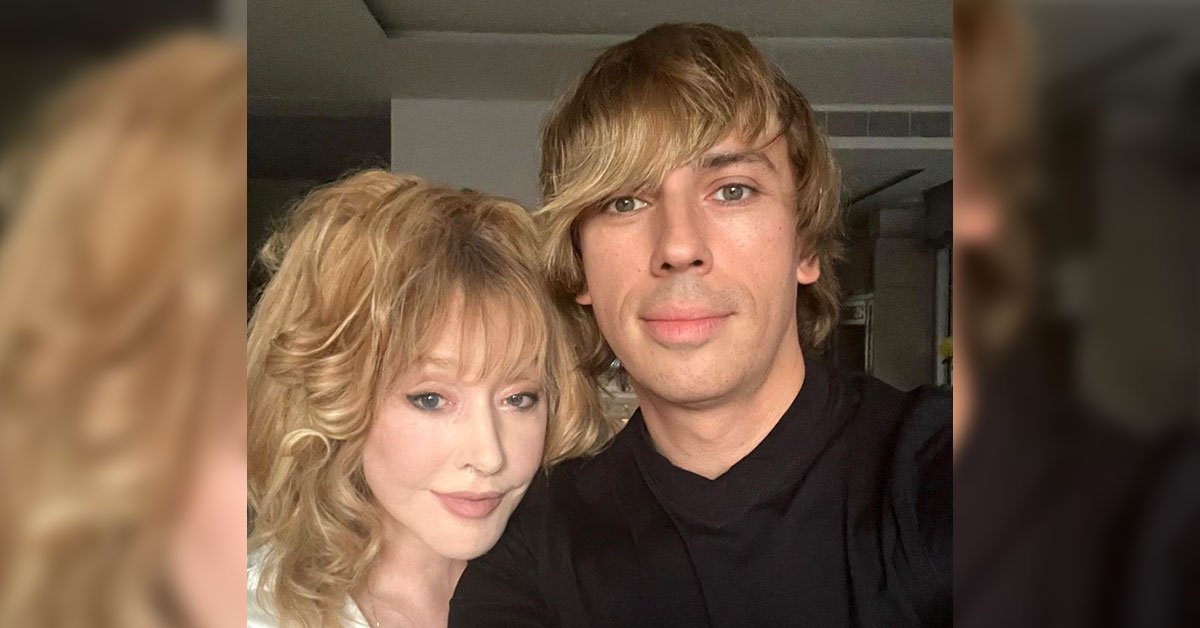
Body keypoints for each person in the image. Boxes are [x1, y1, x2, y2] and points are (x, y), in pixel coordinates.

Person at [450, 23, 952, 628]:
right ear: (580, 266)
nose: (679, 246)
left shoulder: (949, 471)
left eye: (732, 190)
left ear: (804, 245)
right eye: (624, 202)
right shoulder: (529, 553)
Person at [246, 171, 612, 627]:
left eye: (519, 399)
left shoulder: (593, 594)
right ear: (335, 396)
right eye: (432, 399)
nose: (489, 456)